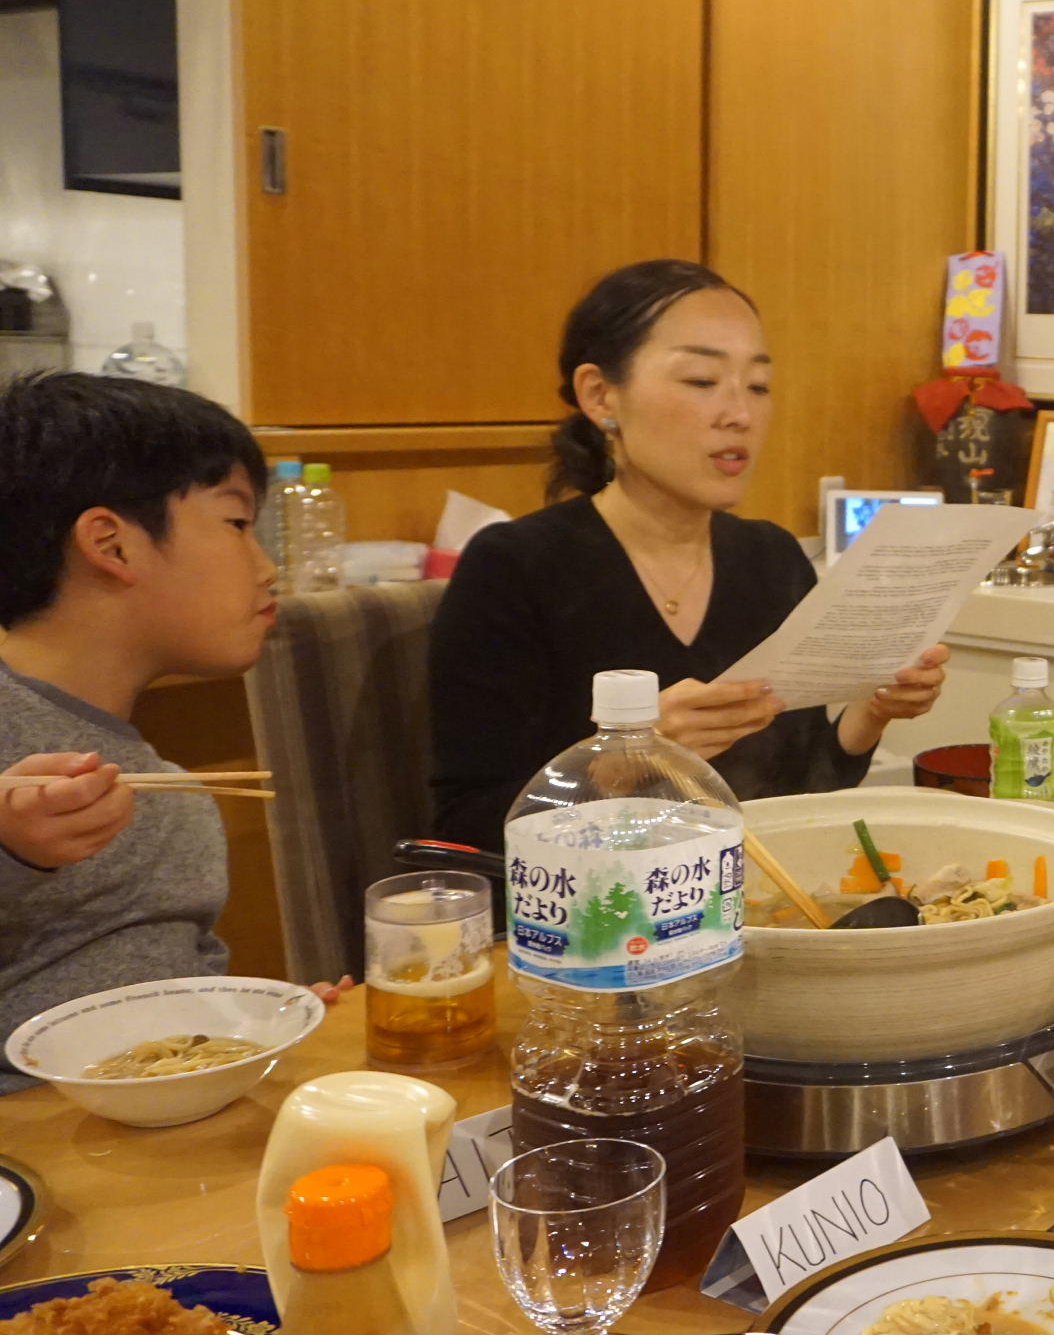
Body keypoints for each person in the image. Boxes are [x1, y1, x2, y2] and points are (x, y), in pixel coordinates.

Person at [428, 260, 949, 851]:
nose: (740, 414)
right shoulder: (514, 567)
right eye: (702, 381)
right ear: (600, 395)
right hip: (601, 902)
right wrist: (624, 764)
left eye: (758, 386)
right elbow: (468, 829)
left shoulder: (771, 559)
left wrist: (871, 710)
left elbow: (794, 792)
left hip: (753, 894)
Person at [0, 374, 351, 1089]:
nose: (267, 569)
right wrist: (10, 850)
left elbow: (152, 991)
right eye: (237, 524)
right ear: (112, 545)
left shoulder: (168, 787)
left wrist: (241, 1027)